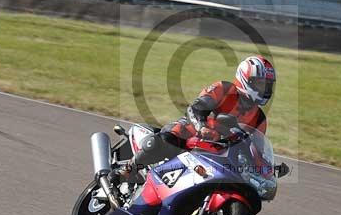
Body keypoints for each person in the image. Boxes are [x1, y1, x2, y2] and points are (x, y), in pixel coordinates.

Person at [113, 55, 276, 182]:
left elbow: (255, 150)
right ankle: (128, 170)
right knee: (161, 141)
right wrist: (201, 126)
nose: (265, 89)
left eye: (268, 85)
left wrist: (268, 170)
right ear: (246, 79)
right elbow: (196, 108)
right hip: (190, 134)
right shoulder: (224, 89)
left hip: (219, 154)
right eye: (261, 84)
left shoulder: (259, 119)